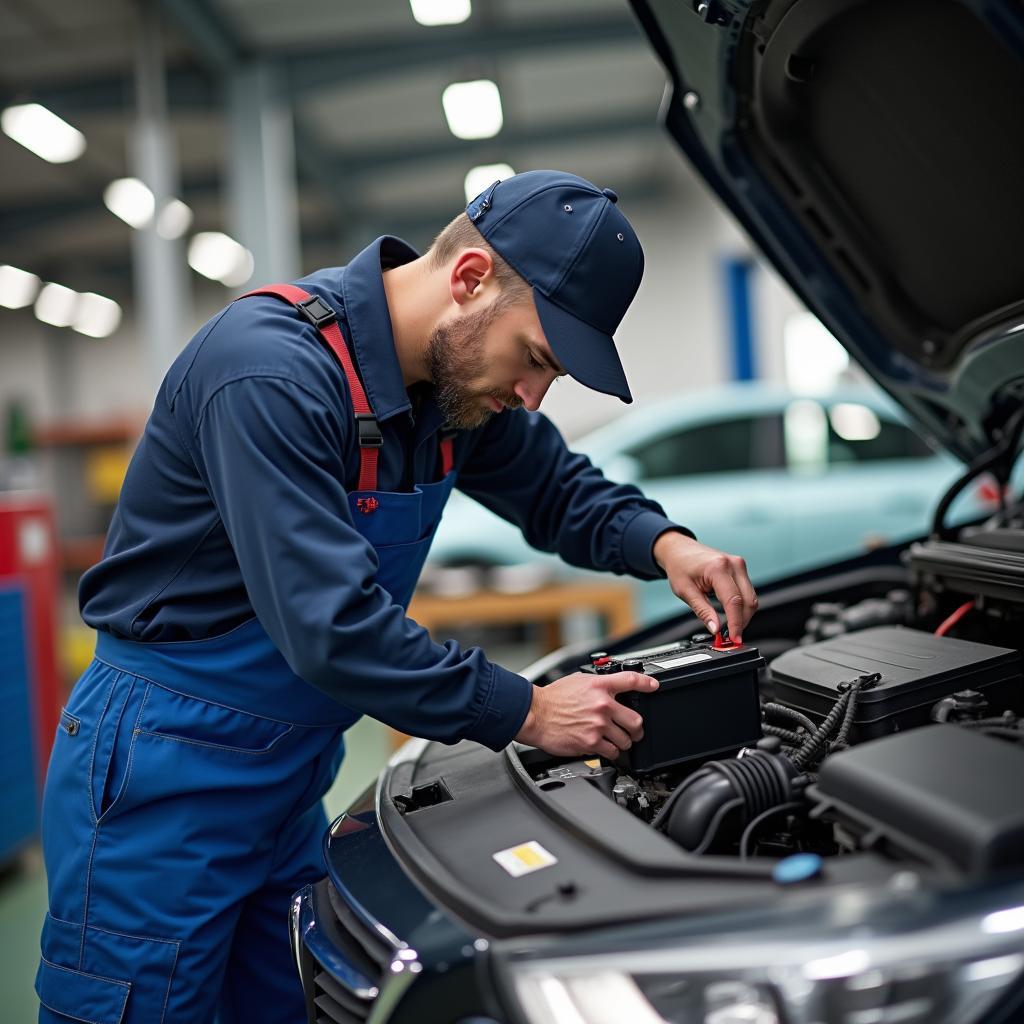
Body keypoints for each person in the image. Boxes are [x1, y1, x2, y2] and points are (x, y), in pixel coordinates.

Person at [36, 170, 757, 1023]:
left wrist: (666, 543)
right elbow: (332, 627)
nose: (531, 396)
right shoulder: (270, 370)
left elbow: (554, 486)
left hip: (286, 785)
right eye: (535, 359)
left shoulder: (450, 394)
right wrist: (526, 708)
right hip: (163, 769)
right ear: (469, 279)